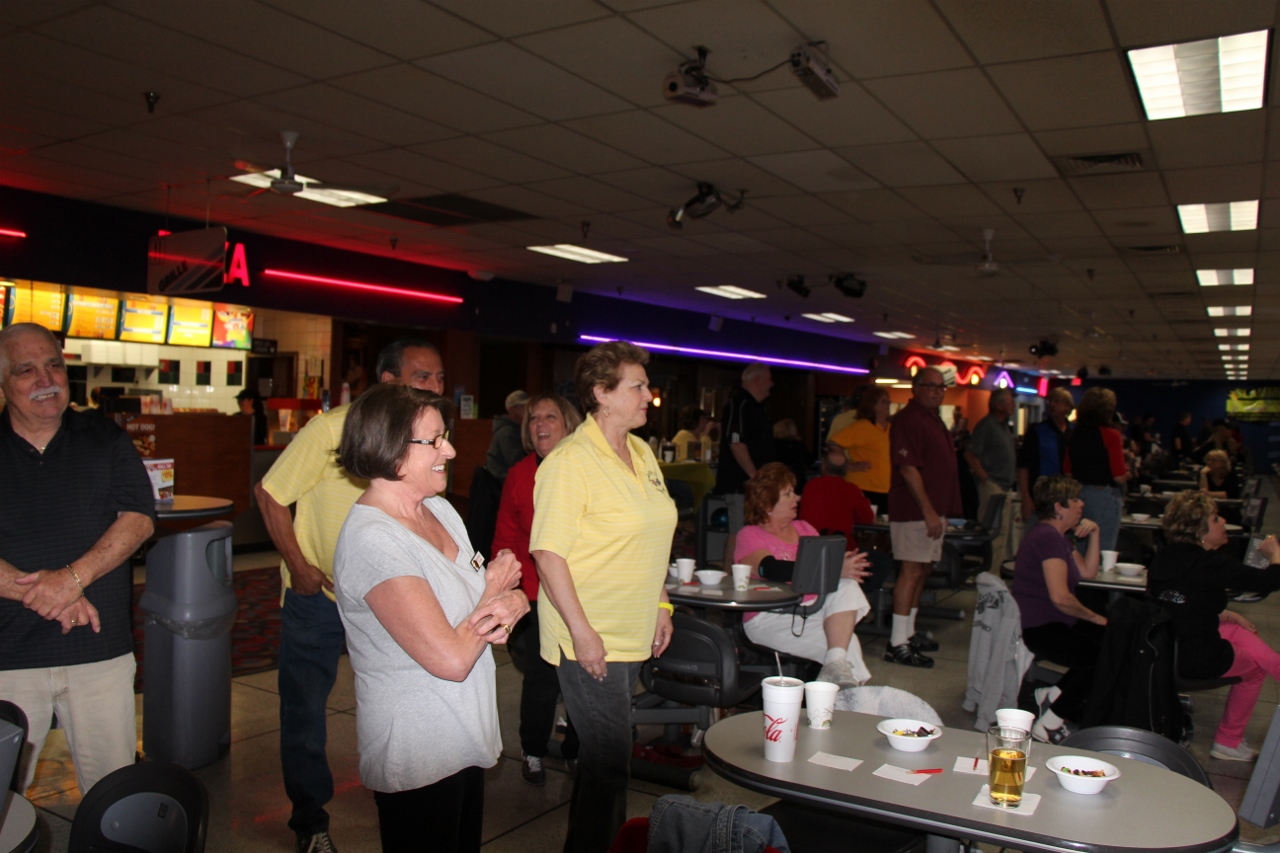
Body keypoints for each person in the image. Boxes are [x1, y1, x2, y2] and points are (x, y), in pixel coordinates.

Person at [255, 337, 444, 853]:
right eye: (422, 377)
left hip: (388, 598)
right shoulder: (330, 429)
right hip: (319, 600)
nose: (435, 387)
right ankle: (310, 821)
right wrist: (301, 566)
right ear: (388, 382)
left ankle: (406, 795)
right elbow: (270, 495)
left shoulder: (427, 440)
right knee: (305, 712)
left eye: (439, 378)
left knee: (398, 701)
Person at [333, 384, 528, 852]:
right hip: (418, 750)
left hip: (463, 732)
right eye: (435, 440)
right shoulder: (373, 541)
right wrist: (499, 593)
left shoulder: (438, 509)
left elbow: (477, 614)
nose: (451, 450)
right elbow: (452, 658)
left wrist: (510, 603)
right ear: (390, 448)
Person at [530, 341, 678, 853]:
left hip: (631, 629)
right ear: (602, 394)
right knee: (611, 760)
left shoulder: (640, 452)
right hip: (589, 636)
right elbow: (548, 555)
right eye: (636, 387)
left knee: (604, 761)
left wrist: (661, 603)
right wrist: (583, 633)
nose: (647, 396)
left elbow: (651, 536)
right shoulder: (570, 462)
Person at [0, 323, 155, 795]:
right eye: (27, 370)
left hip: (99, 651)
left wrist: (71, 580)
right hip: (8, 655)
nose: (46, 378)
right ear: (3, 382)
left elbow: (139, 519)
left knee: (113, 799)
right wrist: (50, 593)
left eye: (54, 365)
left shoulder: (104, 437)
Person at [492, 393, 583, 787]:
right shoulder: (520, 473)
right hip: (534, 591)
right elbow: (506, 536)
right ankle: (532, 749)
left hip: (582, 592)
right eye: (533, 419)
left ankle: (577, 751)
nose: (540, 424)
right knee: (541, 679)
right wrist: (504, 588)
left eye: (550, 417)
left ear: (568, 425)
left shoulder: (586, 470)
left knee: (582, 677)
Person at [1148, 491, 1280, 761]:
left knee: (1240, 631)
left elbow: (1179, 604)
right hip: (1197, 656)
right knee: (1255, 670)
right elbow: (1268, 581)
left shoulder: (1164, 557)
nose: (1223, 523)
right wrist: (1276, 554)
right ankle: (1228, 742)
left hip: (1166, 649)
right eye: (1216, 518)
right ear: (1200, 529)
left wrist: (1227, 614)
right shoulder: (1207, 563)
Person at [735, 462, 875, 686]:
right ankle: (847, 700)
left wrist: (841, 569)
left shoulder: (805, 529)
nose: (797, 498)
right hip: (769, 618)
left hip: (811, 611)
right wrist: (833, 570)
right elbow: (769, 568)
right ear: (767, 503)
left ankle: (835, 671)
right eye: (788, 493)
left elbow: (826, 570)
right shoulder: (750, 535)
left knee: (847, 587)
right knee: (847, 648)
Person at [1011, 475, 1105, 744]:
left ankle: (1051, 697)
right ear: (1058, 506)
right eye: (1075, 500)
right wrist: (1098, 618)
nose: (1082, 505)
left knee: (1106, 646)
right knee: (1098, 659)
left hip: (1055, 622)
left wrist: (1095, 533)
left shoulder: (1059, 538)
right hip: (1041, 627)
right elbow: (1061, 598)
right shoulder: (1047, 539)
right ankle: (1050, 723)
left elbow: (1088, 572)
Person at [885, 367, 961, 667]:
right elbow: (907, 468)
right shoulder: (908, 419)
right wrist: (929, 511)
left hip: (934, 512)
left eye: (941, 386)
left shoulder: (933, 419)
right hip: (914, 512)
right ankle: (896, 643)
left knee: (923, 570)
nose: (937, 391)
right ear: (915, 388)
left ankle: (909, 632)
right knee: (911, 570)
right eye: (930, 386)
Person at [1064, 387, 1128, 552]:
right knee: (1102, 548)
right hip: (1104, 496)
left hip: (1079, 495)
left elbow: (1068, 471)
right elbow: (1119, 476)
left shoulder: (1075, 433)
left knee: (1080, 546)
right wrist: (1130, 473)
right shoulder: (1111, 435)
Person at [965, 388, 1016, 569]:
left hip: (1004, 485)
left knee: (1003, 533)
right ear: (998, 405)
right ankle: (988, 572)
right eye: (1009, 402)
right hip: (993, 485)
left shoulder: (1004, 427)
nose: (1013, 405)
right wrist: (986, 479)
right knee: (993, 531)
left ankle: (995, 571)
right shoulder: (986, 425)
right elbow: (970, 454)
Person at [799, 442, 875, 545]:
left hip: (808, 544)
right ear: (845, 470)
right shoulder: (852, 489)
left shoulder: (811, 486)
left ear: (823, 467)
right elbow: (867, 518)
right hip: (840, 546)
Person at [1017, 388, 1073, 523]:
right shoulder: (1037, 431)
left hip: (1066, 495)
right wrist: (1025, 498)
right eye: (1050, 401)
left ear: (1067, 407)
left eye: (1057, 401)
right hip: (1041, 496)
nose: (1052, 404)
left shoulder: (1074, 433)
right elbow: (1023, 466)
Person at [831, 385, 891, 510]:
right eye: (883, 401)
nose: (888, 403)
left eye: (888, 400)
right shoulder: (862, 427)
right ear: (872, 405)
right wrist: (848, 465)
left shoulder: (891, 428)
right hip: (864, 487)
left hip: (887, 488)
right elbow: (833, 443)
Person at [484, 389, 528, 481]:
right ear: (512, 410)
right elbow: (519, 463)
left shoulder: (515, 429)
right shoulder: (507, 433)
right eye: (523, 407)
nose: (528, 411)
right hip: (502, 485)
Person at [772, 418, 811, 492]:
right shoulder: (798, 445)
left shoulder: (773, 445)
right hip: (798, 480)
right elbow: (809, 460)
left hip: (779, 480)